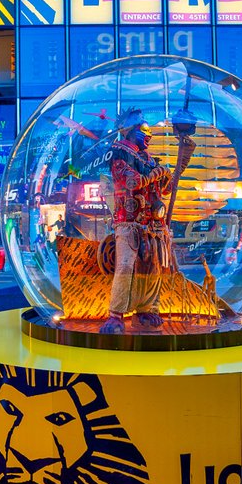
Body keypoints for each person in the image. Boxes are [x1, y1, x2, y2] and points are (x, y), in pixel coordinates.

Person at [99, 107, 194, 335]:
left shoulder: (150, 159)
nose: (148, 132)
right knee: (125, 267)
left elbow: (166, 189)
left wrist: (182, 163)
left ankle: (146, 310)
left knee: (152, 269)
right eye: (143, 127)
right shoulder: (119, 152)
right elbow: (132, 183)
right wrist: (160, 172)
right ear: (130, 130)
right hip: (129, 222)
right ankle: (116, 315)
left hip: (153, 225)